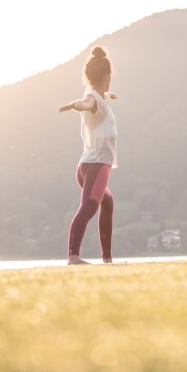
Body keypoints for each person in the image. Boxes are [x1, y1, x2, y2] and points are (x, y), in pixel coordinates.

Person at [59, 46, 118, 265]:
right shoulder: (92, 99)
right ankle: (73, 256)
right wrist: (76, 105)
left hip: (87, 167)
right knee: (88, 207)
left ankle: (107, 259)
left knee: (108, 203)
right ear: (106, 76)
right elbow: (87, 104)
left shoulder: (101, 98)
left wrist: (109, 95)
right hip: (97, 166)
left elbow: (97, 100)